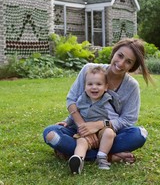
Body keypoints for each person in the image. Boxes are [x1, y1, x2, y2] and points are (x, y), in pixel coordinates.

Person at [43, 38, 152, 172]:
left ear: (133, 66)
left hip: (109, 134)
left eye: (128, 61)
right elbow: (71, 100)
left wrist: (98, 125)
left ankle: (76, 153)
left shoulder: (131, 86)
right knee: (50, 133)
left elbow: (128, 119)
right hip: (81, 129)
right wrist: (83, 128)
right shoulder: (89, 70)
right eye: (120, 55)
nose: (121, 63)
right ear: (114, 53)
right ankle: (109, 156)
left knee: (138, 135)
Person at [68, 66, 118, 174]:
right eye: (90, 84)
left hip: (102, 132)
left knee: (109, 133)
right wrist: (66, 122)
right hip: (86, 133)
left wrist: (105, 126)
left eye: (98, 84)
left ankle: (102, 158)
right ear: (85, 86)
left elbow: (115, 120)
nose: (94, 87)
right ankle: (78, 160)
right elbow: (75, 113)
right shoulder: (81, 100)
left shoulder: (107, 102)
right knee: (81, 142)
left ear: (105, 87)